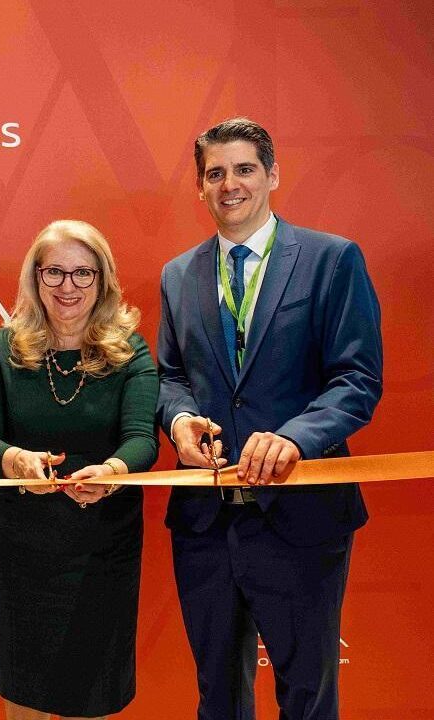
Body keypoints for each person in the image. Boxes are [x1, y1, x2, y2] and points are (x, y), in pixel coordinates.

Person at [157, 117, 383, 719]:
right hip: (206, 522)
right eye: (215, 174)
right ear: (200, 187)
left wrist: (294, 439)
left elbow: (357, 379)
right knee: (218, 697)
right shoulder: (178, 275)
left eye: (245, 169)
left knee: (307, 695)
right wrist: (178, 421)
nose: (230, 184)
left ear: (273, 175)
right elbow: (170, 376)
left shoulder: (332, 259)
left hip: (300, 517)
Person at [0, 219, 158, 720]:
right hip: (20, 548)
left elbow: (143, 439)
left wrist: (112, 471)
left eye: (82, 273)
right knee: (23, 691)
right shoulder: (2, 347)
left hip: (102, 546)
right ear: (36, 277)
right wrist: (14, 460)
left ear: (102, 279)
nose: (68, 286)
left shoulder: (130, 350)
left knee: (91, 693)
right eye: (54, 272)